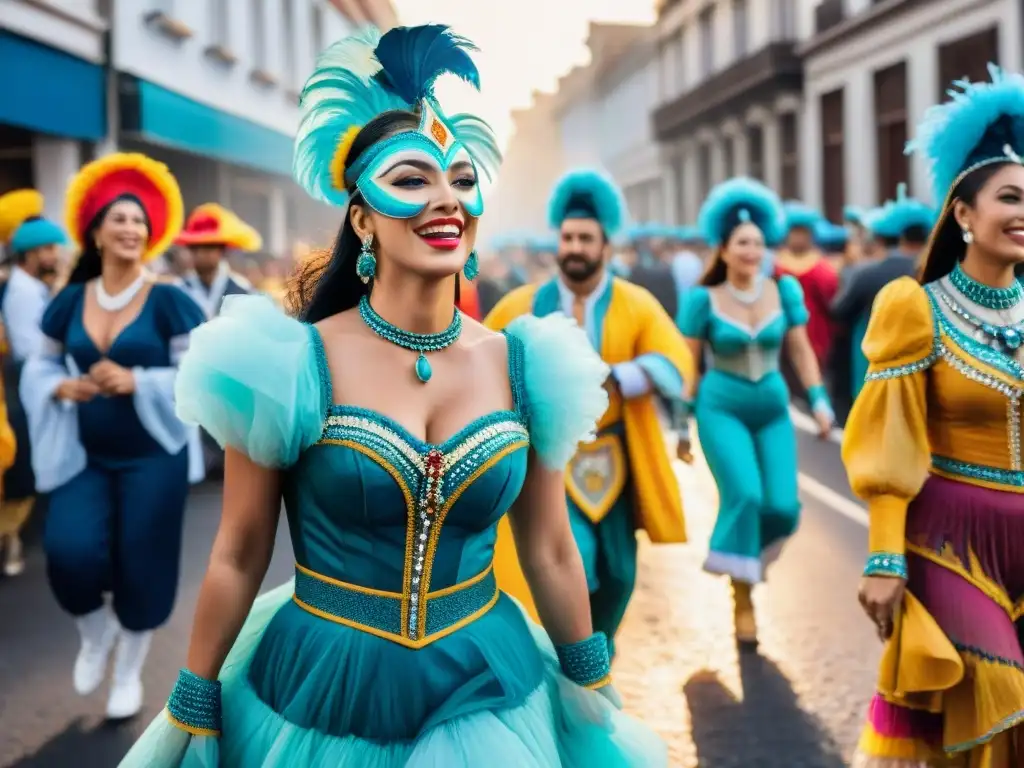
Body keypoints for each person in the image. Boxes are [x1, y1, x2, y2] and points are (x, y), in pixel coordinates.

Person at [119, 25, 666, 767]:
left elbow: (548, 547)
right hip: (323, 689)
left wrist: (588, 681)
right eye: (412, 180)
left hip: (489, 684)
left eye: (463, 181)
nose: (447, 201)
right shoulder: (288, 363)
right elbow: (240, 549)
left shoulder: (527, 363)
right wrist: (196, 693)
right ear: (361, 217)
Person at [845, 65, 1024, 767]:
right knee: (993, 690)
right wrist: (884, 557)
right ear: (963, 215)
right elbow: (887, 445)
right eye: (1009, 197)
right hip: (949, 542)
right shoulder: (914, 310)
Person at [19, 152, 206, 719]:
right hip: (85, 455)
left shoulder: (171, 300)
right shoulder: (69, 301)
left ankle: (128, 671)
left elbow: (201, 376)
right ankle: (95, 633)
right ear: (95, 232)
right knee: (67, 552)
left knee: (141, 563)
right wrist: (59, 386)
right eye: (119, 219)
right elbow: (39, 363)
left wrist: (139, 380)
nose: (131, 228)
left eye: (139, 221)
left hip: (155, 458)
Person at [485, 168, 690, 656]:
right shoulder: (523, 304)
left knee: (618, 572)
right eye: (568, 237)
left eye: (585, 239)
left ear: (606, 246)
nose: (574, 247)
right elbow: (481, 358)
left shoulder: (636, 303)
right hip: (547, 455)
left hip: (617, 453)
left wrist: (621, 374)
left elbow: (675, 362)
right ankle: (570, 655)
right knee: (570, 556)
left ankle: (599, 650)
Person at [677, 178, 833, 646]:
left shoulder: (784, 291)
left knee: (782, 508)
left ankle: (746, 559)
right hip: (720, 407)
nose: (752, 251)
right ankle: (742, 599)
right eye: (742, 243)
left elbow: (800, 350)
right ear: (723, 250)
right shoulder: (702, 300)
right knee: (744, 495)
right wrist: (681, 423)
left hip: (772, 408)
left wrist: (819, 400)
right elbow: (687, 363)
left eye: (759, 243)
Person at [0, 189, 65, 576]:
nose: (55, 256)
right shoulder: (23, 293)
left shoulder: (33, 288)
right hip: (23, 392)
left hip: (30, 388)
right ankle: (12, 541)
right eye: (49, 250)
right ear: (30, 253)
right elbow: (31, 350)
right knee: (22, 470)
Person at [831, 184, 934, 405]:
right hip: (926, 367)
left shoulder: (867, 272)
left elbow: (839, 312)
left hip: (874, 366)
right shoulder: (940, 271)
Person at [774, 201, 838, 371]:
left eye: (802, 232)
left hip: (816, 338)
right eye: (794, 231)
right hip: (781, 340)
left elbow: (832, 306)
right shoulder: (774, 266)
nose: (798, 237)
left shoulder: (823, 268)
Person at [175, 203, 260, 319]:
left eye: (208, 247)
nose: (200, 254)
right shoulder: (180, 289)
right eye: (194, 248)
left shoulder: (241, 290)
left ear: (221, 251)